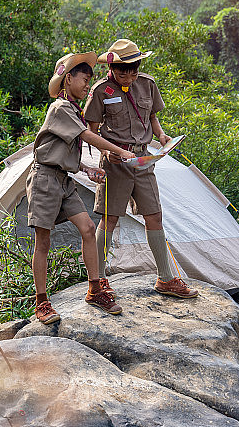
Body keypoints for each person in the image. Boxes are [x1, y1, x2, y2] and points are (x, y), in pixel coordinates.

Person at [27, 52, 137, 325]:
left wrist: (87, 169)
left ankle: (95, 288)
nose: (88, 85)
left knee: (88, 229)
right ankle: (42, 302)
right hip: (45, 180)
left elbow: (66, 149)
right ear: (68, 79)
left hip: (64, 180)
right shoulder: (60, 108)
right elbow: (87, 135)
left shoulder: (73, 110)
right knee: (43, 241)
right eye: (85, 80)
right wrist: (120, 151)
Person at [84, 39, 199, 299]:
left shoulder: (147, 84)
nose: (129, 74)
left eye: (133, 69)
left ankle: (166, 279)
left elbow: (152, 118)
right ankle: (99, 280)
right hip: (115, 163)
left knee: (154, 215)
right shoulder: (102, 91)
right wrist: (106, 152)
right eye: (122, 70)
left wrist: (161, 135)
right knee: (110, 219)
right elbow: (91, 131)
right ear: (111, 68)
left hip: (144, 161)